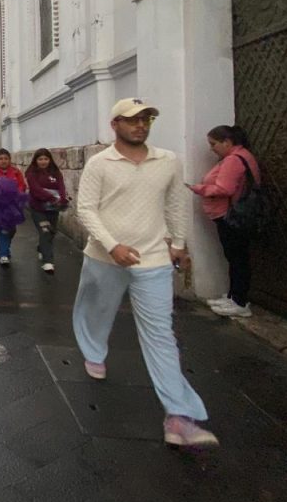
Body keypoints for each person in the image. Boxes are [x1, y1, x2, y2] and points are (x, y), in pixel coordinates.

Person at [73, 98, 217, 448]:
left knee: (160, 334)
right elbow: (86, 210)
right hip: (105, 257)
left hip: (152, 259)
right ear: (115, 125)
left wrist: (179, 243)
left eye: (146, 119)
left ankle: (179, 416)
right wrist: (112, 245)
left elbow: (176, 204)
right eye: (132, 120)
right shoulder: (100, 163)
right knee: (95, 311)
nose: (140, 125)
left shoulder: (167, 161)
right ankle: (94, 351)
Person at [188, 125, 260, 319]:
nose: (212, 149)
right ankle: (233, 296)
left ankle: (239, 301)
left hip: (231, 216)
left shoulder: (233, 160)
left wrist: (200, 189)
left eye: (214, 144)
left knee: (237, 258)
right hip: (234, 214)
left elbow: (224, 189)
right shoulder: (241, 156)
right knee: (235, 257)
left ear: (227, 142)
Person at [25, 148, 70, 275]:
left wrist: (61, 199)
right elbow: (35, 189)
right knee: (44, 231)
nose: (43, 161)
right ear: (36, 160)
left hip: (53, 209)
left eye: (46, 159)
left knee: (51, 232)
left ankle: (41, 248)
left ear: (50, 160)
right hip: (38, 208)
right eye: (40, 159)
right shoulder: (31, 173)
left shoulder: (55, 172)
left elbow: (61, 186)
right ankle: (48, 261)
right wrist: (51, 198)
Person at [0, 149, 27, 265]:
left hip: (13, 206)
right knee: (2, 229)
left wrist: (18, 194)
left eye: (6, 159)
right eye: (1, 159)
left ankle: (5, 248)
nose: (3, 161)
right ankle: (3, 254)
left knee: (11, 230)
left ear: (10, 160)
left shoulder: (16, 172)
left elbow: (22, 185)